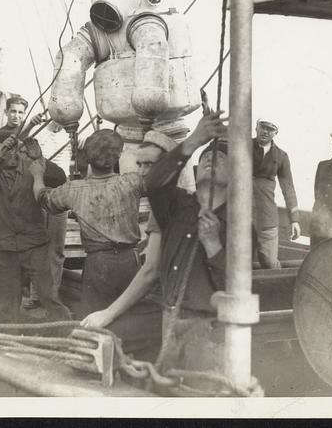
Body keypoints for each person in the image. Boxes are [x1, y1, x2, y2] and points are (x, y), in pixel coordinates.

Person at [80, 111, 229, 332]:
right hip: (166, 307)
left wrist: (107, 314)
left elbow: (151, 271)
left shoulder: (175, 206)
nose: (142, 173)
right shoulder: (176, 206)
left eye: (150, 165)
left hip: (189, 318)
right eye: (139, 165)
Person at [31, 128, 146, 317]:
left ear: (88, 158)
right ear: (117, 157)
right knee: (131, 319)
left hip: (98, 263)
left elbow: (43, 198)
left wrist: (37, 173)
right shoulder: (132, 182)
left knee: (95, 318)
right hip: (130, 261)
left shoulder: (75, 189)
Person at [0, 134, 72, 323]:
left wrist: (40, 159)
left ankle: (67, 332)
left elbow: (60, 177)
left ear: (20, 151)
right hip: (5, 247)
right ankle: (10, 342)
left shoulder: (32, 169)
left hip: (33, 244)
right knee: (5, 303)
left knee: (49, 296)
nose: (6, 154)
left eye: (11, 150)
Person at [251, 119, 301, 269]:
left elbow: (288, 188)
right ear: (256, 127)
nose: (265, 131)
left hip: (266, 215)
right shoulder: (241, 145)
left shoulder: (281, 156)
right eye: (263, 127)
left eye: (270, 129)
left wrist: (294, 220)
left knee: (269, 263)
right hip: (239, 213)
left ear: (276, 133)